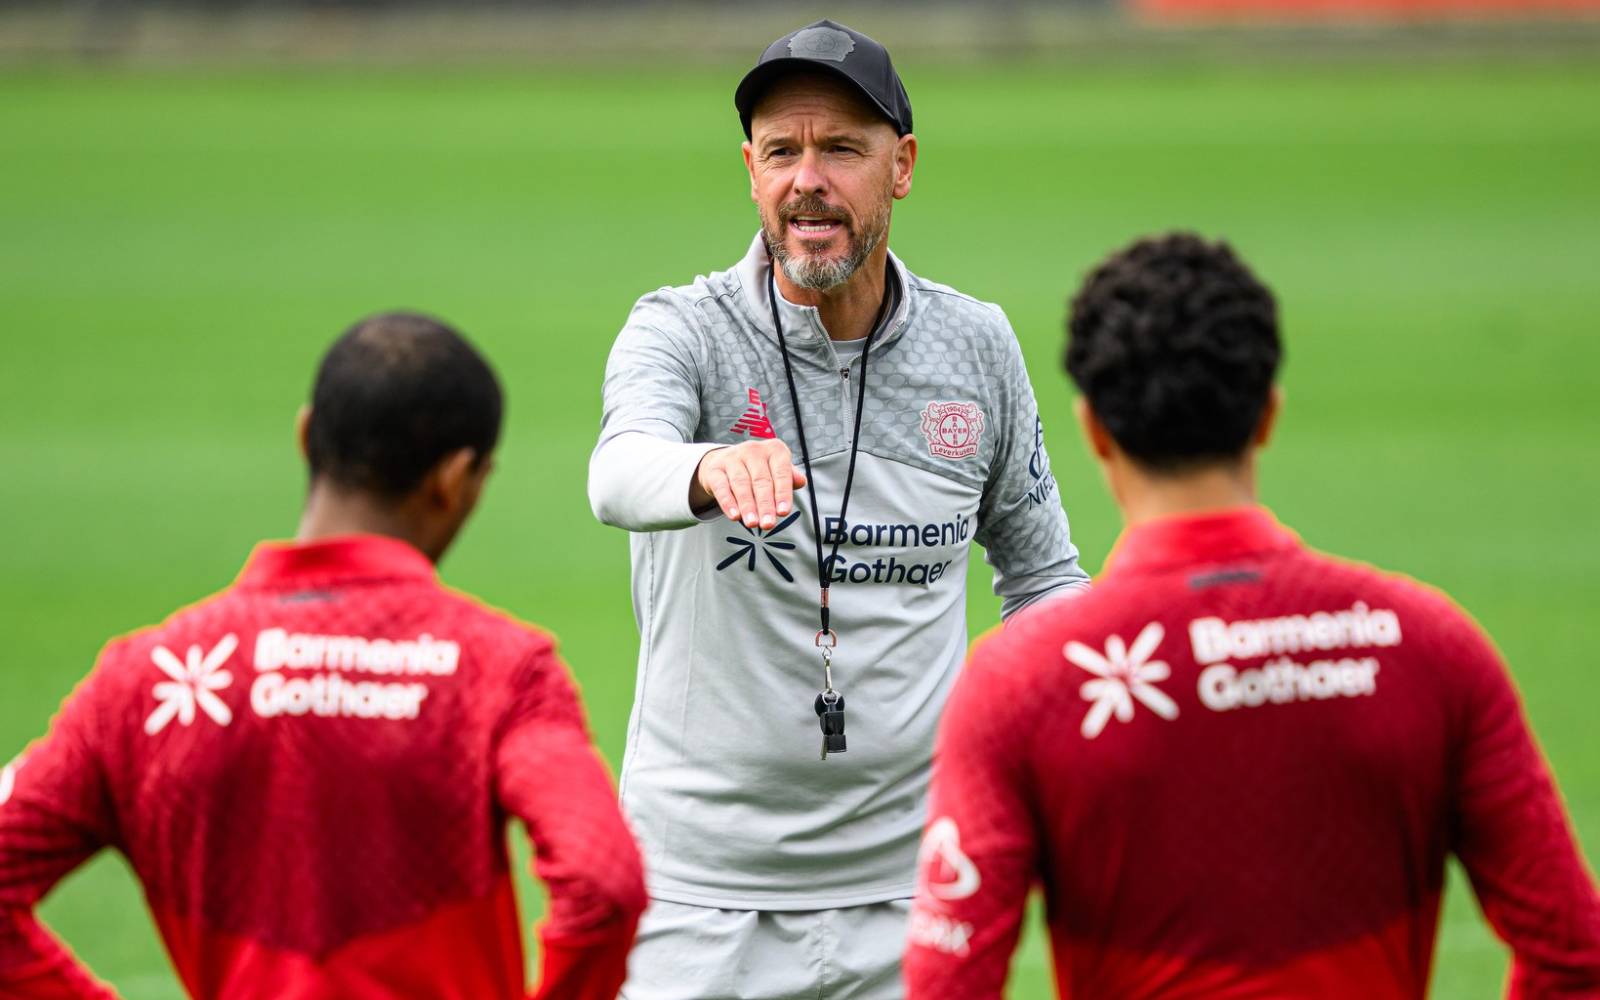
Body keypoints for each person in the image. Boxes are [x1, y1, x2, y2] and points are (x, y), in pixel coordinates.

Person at [903, 233, 1600, 997]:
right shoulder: (1431, 648)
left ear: (1095, 429)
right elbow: (1573, 955)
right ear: (1268, 414)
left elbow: (949, 987)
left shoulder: (1024, 685)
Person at [587, 18, 1090, 999]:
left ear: (901, 166)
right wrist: (708, 468)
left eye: (841, 150)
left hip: (918, 889)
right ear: (750, 171)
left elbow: (1042, 578)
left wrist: (1077, 709)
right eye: (782, 152)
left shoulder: (974, 346)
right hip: (699, 896)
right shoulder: (681, 330)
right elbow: (618, 473)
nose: (807, 180)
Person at [0, 313, 647, 999]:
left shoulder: (147, 678)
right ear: (456, 479)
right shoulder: (499, 670)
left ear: (307, 435)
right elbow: (602, 879)